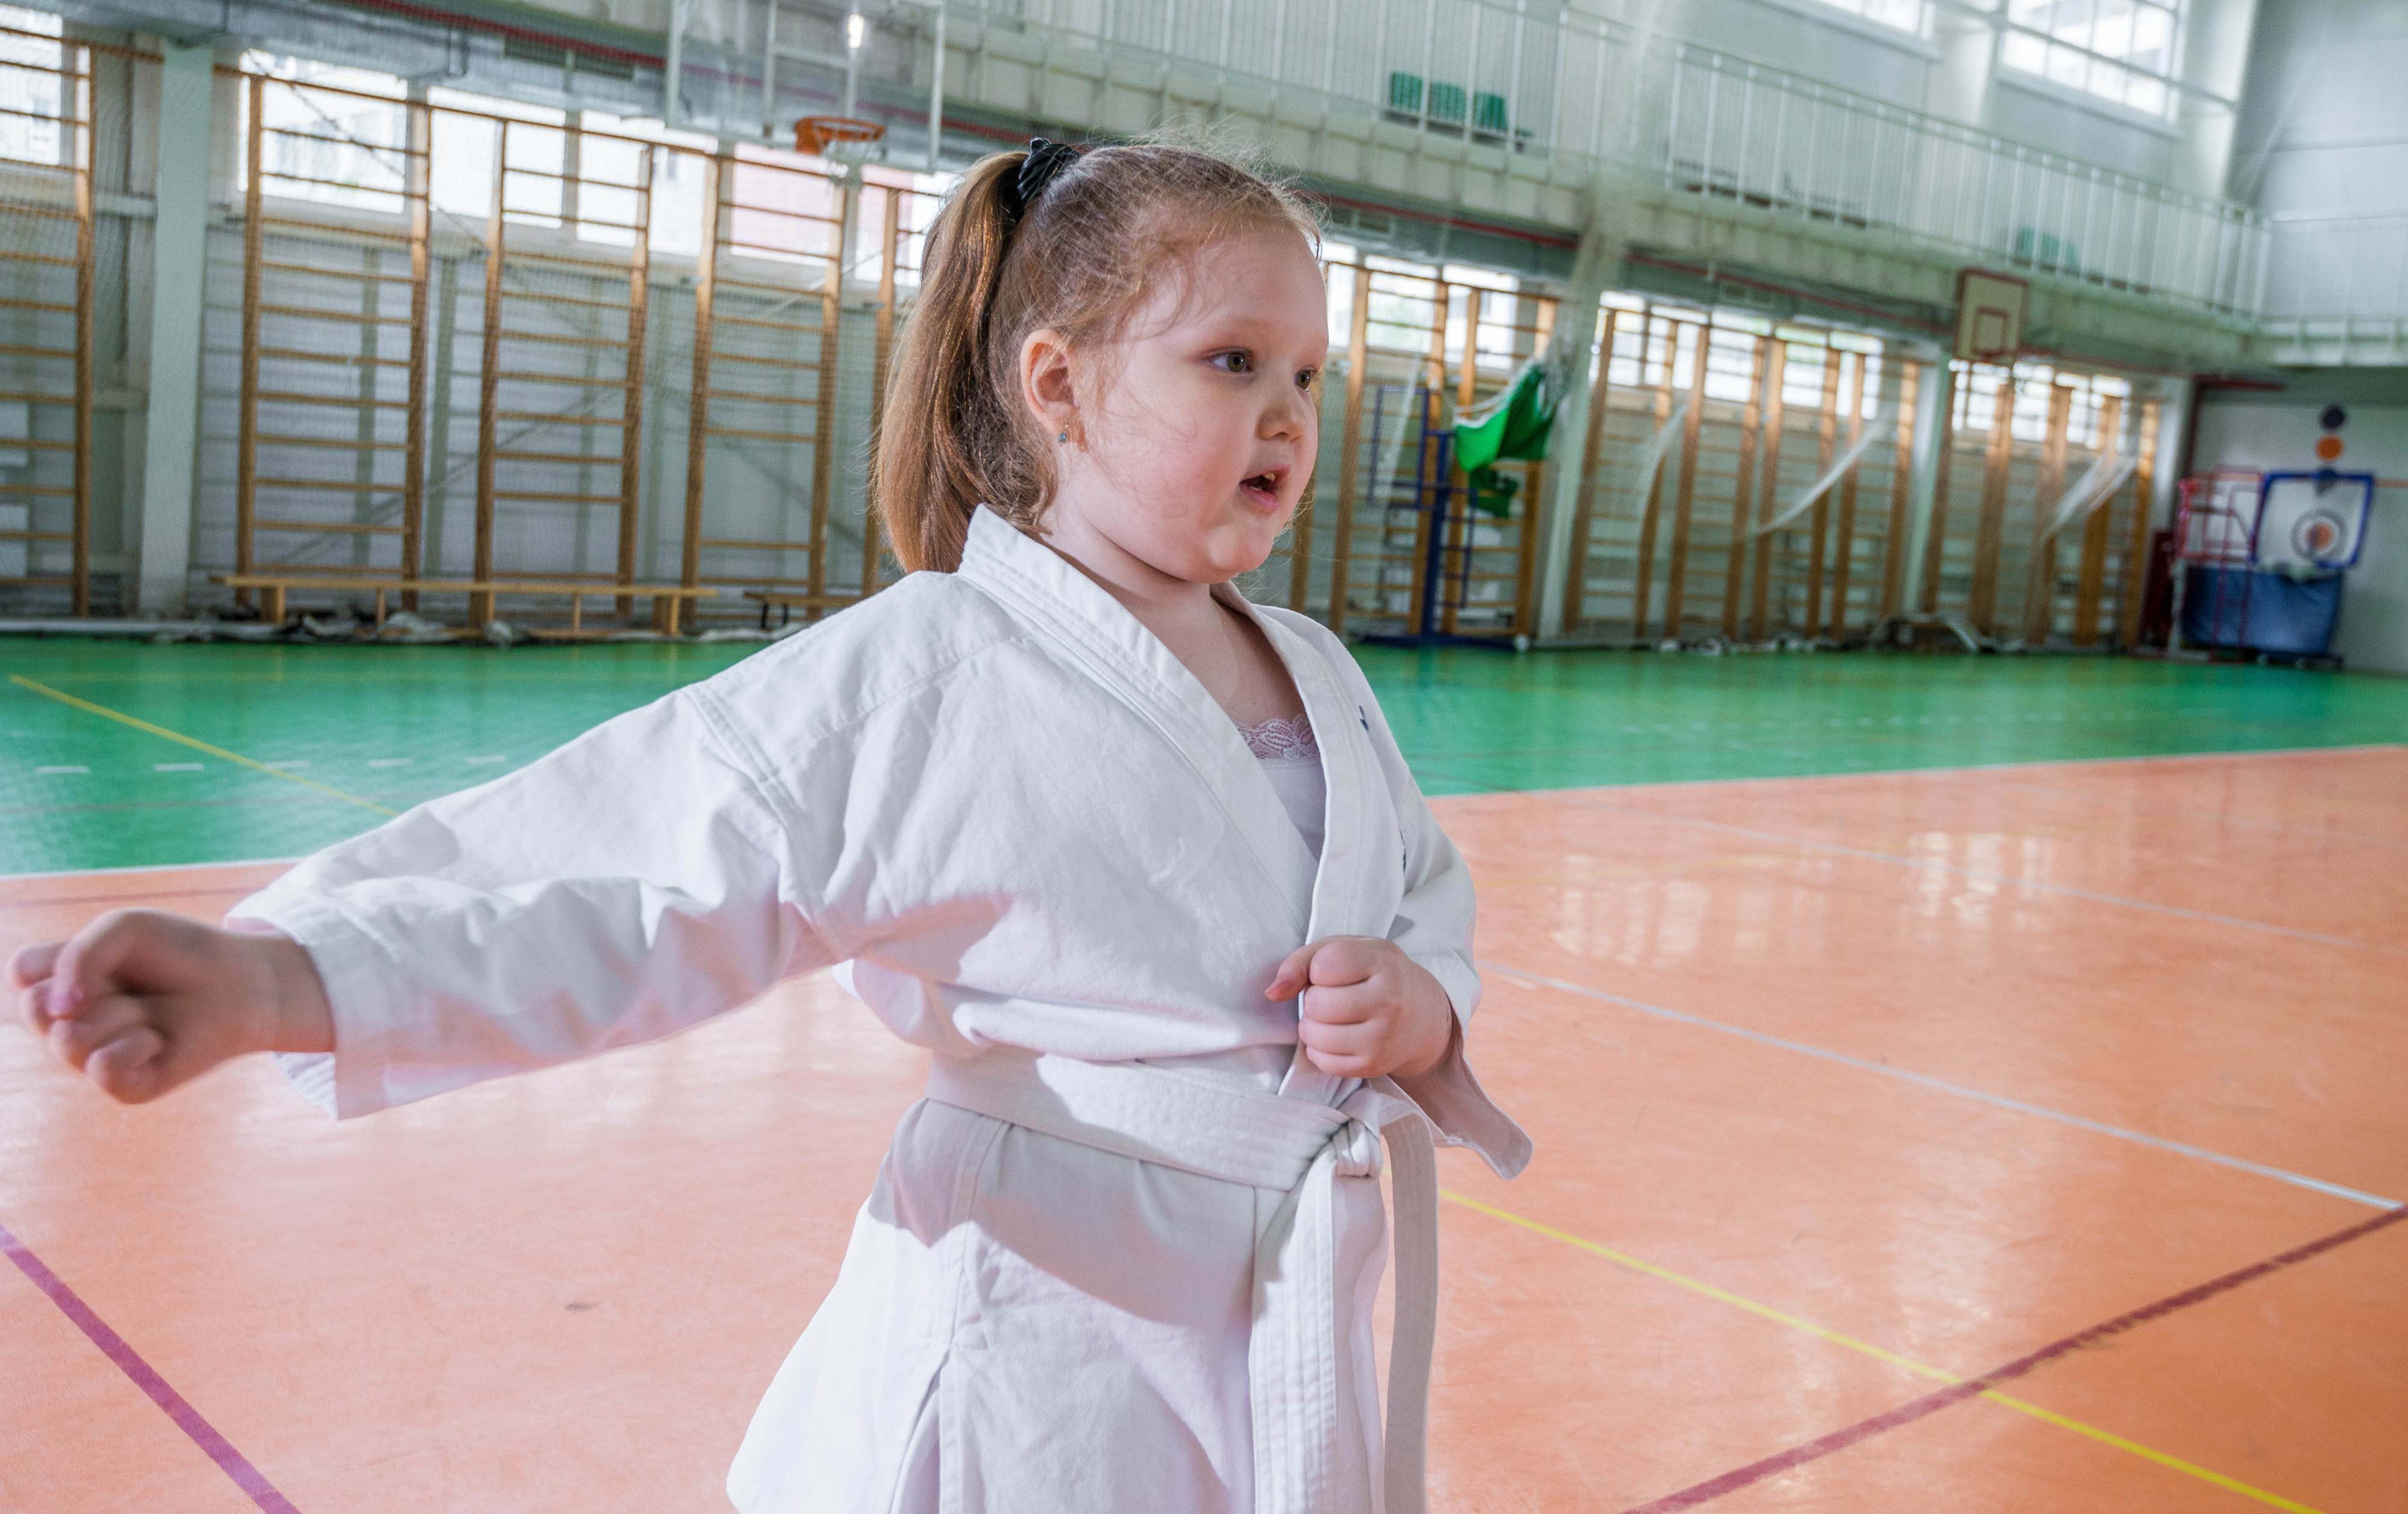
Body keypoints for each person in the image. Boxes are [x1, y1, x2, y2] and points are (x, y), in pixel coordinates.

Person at [11, 137, 1529, 1514]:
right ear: (1055, 387)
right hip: (1052, 1340)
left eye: (1310, 376)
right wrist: (292, 975)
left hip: (1287, 1314)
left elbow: (1418, 892)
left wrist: (1420, 1000)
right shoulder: (927, 672)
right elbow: (631, 866)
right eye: (1230, 359)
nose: (1283, 414)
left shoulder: (1319, 673)